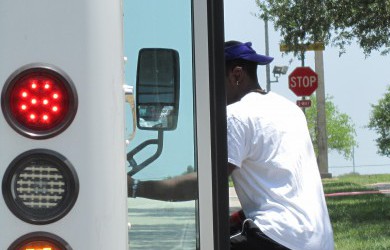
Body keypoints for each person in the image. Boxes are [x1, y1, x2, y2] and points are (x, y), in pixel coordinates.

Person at [128, 41, 335, 250]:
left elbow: (206, 184)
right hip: (318, 240)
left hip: (278, 237)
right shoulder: (290, 110)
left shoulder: (237, 116)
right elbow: (281, 185)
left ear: (236, 75)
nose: (210, 93)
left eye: (213, 82)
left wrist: (136, 187)